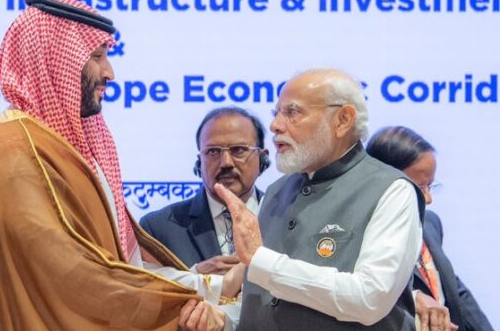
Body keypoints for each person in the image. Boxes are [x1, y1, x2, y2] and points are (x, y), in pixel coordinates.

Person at [0, 0, 207, 331]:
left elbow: (120, 261)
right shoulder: (16, 154)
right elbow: (76, 277)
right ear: (52, 61)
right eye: (96, 56)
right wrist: (190, 301)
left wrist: (201, 283)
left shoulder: (60, 145)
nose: (110, 73)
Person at [180, 69, 425, 331]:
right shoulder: (276, 192)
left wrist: (263, 261)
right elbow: (264, 304)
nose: (275, 125)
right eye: (276, 113)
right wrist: (224, 321)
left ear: (342, 120)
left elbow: (369, 298)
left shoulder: (391, 190)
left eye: (293, 112)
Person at [367, 126, 493, 331]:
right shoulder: (362, 231)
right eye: (418, 187)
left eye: (430, 186)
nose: (428, 199)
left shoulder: (430, 223)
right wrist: (414, 297)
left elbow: (453, 289)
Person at [140, 107, 270, 274]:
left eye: (238, 150)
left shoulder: (286, 218)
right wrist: (195, 279)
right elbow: (146, 288)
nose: (226, 162)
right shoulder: (157, 229)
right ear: (199, 163)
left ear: (262, 159)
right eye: (213, 151)